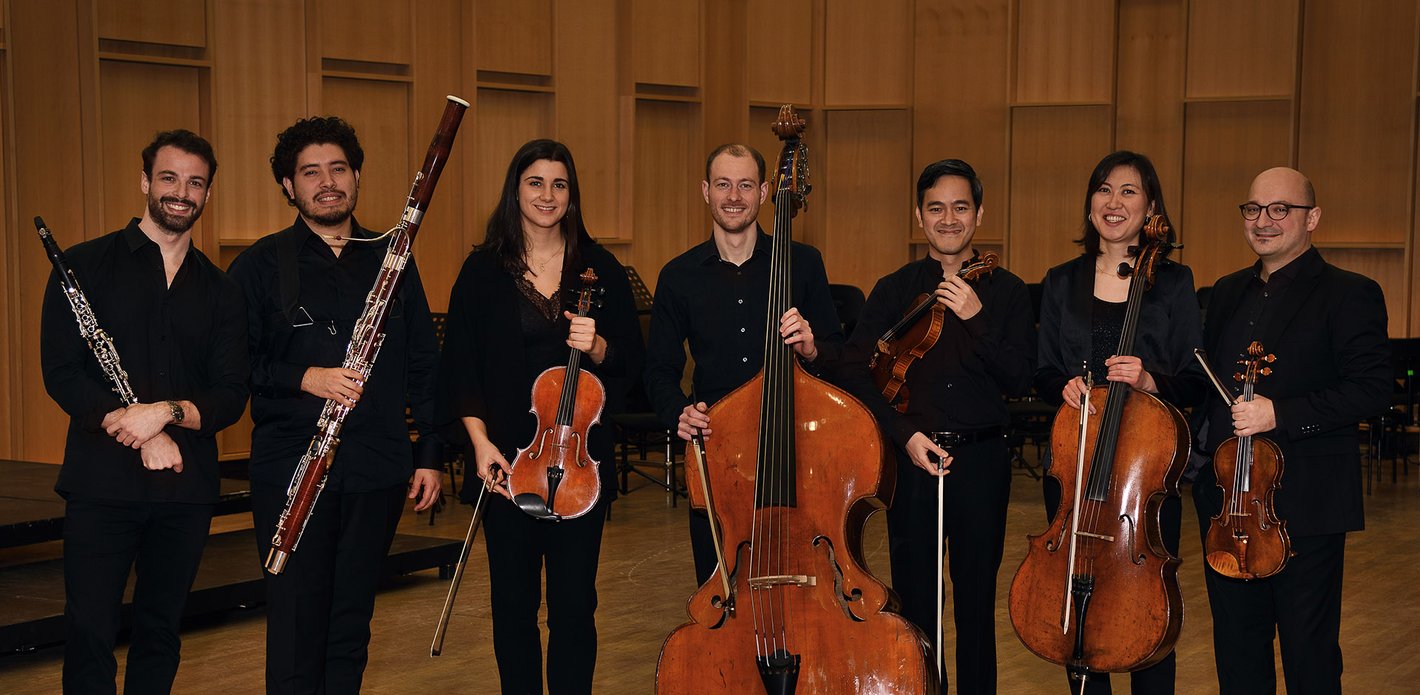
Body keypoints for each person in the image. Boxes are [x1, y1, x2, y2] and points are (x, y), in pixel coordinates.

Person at [227, 116, 443, 693]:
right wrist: (307, 377)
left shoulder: (393, 258)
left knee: (352, 623)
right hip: (292, 467)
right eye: (310, 172)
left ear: (357, 177)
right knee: (296, 623)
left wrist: (429, 452)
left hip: (377, 465)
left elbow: (424, 360)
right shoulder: (258, 266)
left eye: (339, 169)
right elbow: (233, 369)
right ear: (287, 187)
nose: (328, 182)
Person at [41, 129, 249, 693]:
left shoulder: (222, 291)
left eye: (195, 182)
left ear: (207, 193)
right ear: (145, 182)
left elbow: (231, 393)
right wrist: (135, 428)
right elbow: (62, 373)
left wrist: (164, 414)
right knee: (89, 630)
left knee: (161, 631)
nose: (182, 192)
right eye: (169, 178)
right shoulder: (83, 266)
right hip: (102, 483)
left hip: (185, 490)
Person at [437, 139, 642, 694]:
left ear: (571, 195)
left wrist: (599, 346)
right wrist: (478, 443)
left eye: (559, 184)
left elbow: (634, 364)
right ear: (516, 189)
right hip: (506, 464)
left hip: (581, 470)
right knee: (513, 608)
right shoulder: (483, 271)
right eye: (535, 182)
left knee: (575, 608)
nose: (547, 195)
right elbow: (461, 366)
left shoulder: (599, 269)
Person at [833, 159, 1034, 695]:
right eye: (936, 208)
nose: (949, 219)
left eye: (961, 207)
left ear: (979, 214)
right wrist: (904, 436)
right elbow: (856, 369)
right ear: (919, 217)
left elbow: (1019, 376)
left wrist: (976, 317)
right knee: (916, 604)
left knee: (974, 601)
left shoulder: (1008, 292)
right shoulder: (895, 289)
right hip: (913, 460)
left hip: (981, 462)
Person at [1193, 167, 1390, 695]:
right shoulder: (1226, 293)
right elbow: (1203, 383)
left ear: (1313, 218)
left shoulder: (1351, 293)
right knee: (1237, 651)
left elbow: (1372, 389)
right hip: (1229, 504)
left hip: (1307, 501)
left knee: (1309, 652)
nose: (1264, 221)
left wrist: (1281, 413)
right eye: (1253, 209)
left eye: (1281, 209)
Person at [1033, 150, 1206, 694]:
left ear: (1151, 206)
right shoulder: (1061, 281)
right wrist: (1060, 384)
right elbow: (1040, 371)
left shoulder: (1174, 282)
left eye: (1129, 192)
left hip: (1145, 472)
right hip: (1077, 462)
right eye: (1104, 190)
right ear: (1089, 205)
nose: (1114, 202)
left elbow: (1196, 380)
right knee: (1079, 609)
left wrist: (1152, 381)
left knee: (1145, 605)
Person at [643, 142, 844, 585]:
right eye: (723, 184)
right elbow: (658, 367)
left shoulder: (803, 263)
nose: (734, 196)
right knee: (720, 583)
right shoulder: (678, 276)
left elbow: (838, 352)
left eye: (746, 185)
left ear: (766, 190)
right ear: (705, 191)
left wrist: (812, 349)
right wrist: (678, 410)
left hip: (797, 448)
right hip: (718, 450)